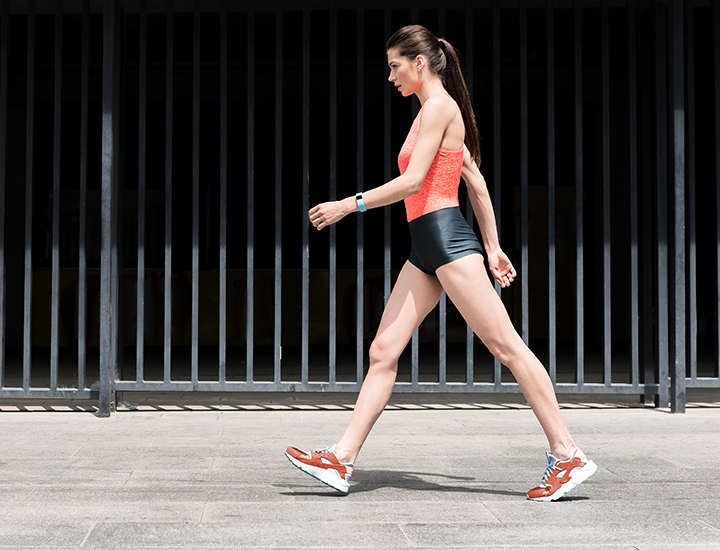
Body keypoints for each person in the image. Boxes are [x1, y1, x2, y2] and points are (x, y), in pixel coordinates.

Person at [285, 24, 596, 502]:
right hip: (426, 247)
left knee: (508, 348)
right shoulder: (430, 112)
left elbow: (412, 183)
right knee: (383, 350)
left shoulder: (440, 107)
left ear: (420, 63)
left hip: (447, 241)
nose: (389, 76)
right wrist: (493, 246)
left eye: (394, 66)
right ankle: (341, 460)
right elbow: (476, 180)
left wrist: (349, 204)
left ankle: (568, 453)